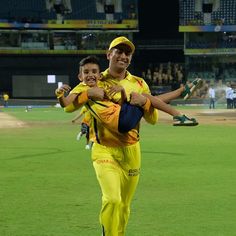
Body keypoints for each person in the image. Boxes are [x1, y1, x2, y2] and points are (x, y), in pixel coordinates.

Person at [56, 37, 202, 236]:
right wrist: (78, 95)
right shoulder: (96, 78)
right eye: (119, 51)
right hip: (104, 150)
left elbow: (151, 119)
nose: (123, 56)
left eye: (127, 53)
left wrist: (143, 102)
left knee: (124, 205)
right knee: (112, 199)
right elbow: (69, 106)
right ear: (109, 54)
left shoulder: (139, 83)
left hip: (131, 151)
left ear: (130, 58)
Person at [56, 55, 201, 132]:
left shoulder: (104, 84)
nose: (90, 75)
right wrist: (60, 95)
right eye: (86, 73)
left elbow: (120, 103)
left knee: (147, 98)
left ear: (99, 75)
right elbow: (67, 105)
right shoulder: (81, 88)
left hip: (123, 119)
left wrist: (123, 92)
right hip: (118, 124)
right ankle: (177, 115)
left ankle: (181, 92)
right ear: (80, 77)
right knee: (145, 97)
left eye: (94, 72)